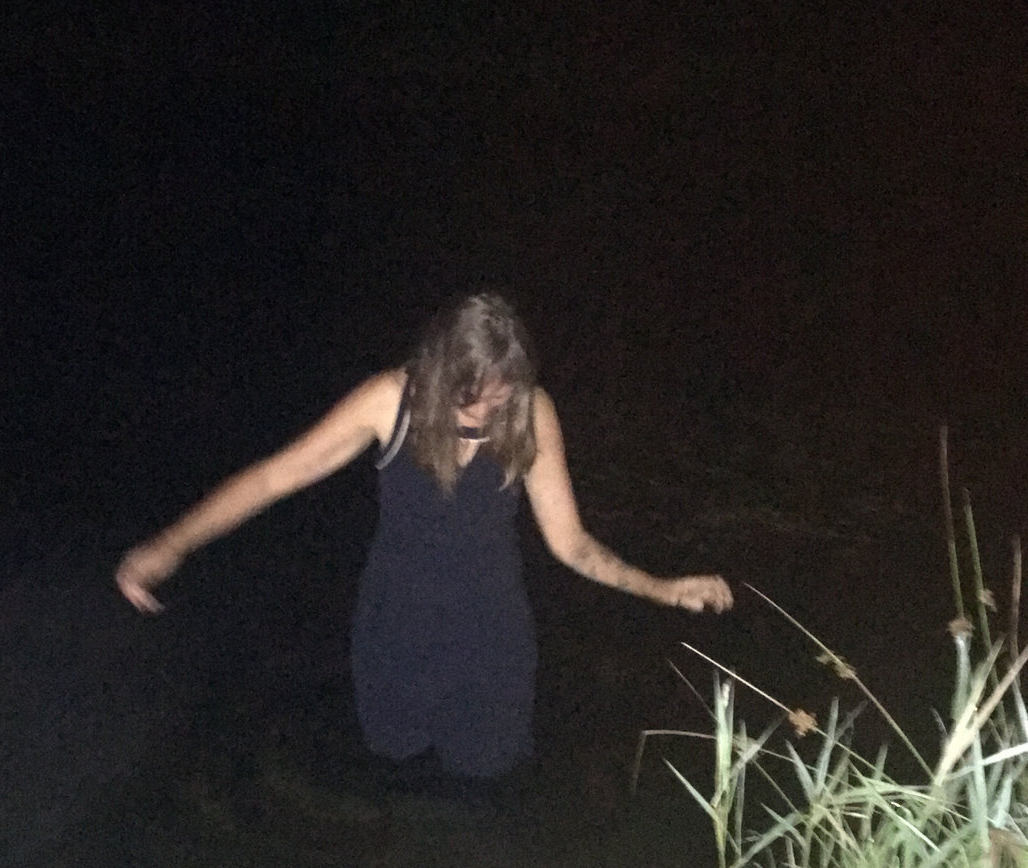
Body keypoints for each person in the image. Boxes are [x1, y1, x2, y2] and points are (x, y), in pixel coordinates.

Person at [116, 292, 732, 785]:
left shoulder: (533, 412)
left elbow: (570, 543)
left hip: (492, 640)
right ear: (438, 372)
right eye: (469, 400)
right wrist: (171, 545)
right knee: (391, 777)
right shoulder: (389, 401)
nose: (483, 416)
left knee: (488, 787)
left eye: (498, 400)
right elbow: (275, 476)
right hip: (395, 629)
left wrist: (660, 588)